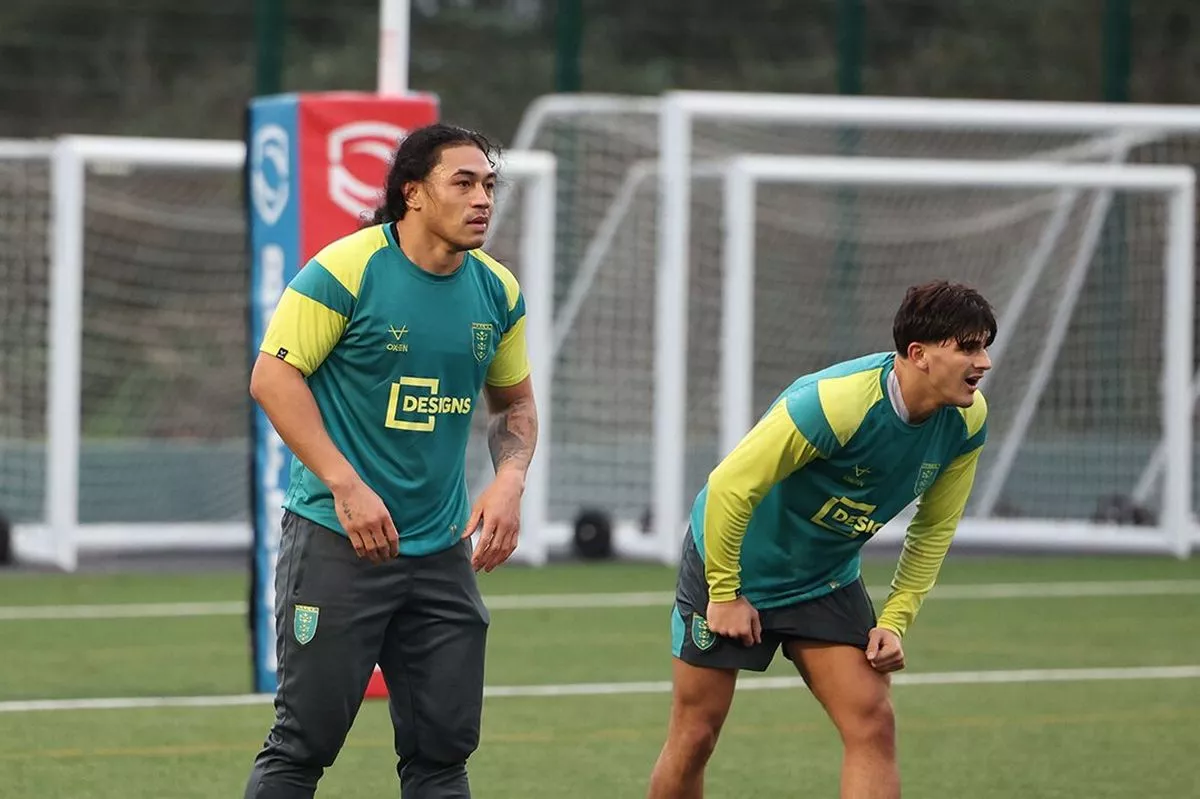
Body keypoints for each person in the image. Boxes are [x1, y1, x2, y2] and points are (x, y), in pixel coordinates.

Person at [243, 123, 538, 799]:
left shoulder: (498, 291)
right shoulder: (345, 270)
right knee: (301, 746)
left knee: (443, 754)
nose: (481, 199)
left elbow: (514, 405)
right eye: (462, 183)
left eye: (488, 185)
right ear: (413, 194)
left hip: (439, 553)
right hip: (338, 542)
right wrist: (345, 484)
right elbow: (272, 379)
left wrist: (510, 478)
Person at [647, 281, 996, 799]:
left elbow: (932, 531)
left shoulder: (968, 420)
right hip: (735, 563)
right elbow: (727, 489)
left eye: (985, 345)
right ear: (919, 355)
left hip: (824, 578)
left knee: (872, 722)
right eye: (968, 347)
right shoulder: (836, 403)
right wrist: (724, 592)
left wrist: (895, 620)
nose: (984, 361)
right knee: (696, 735)